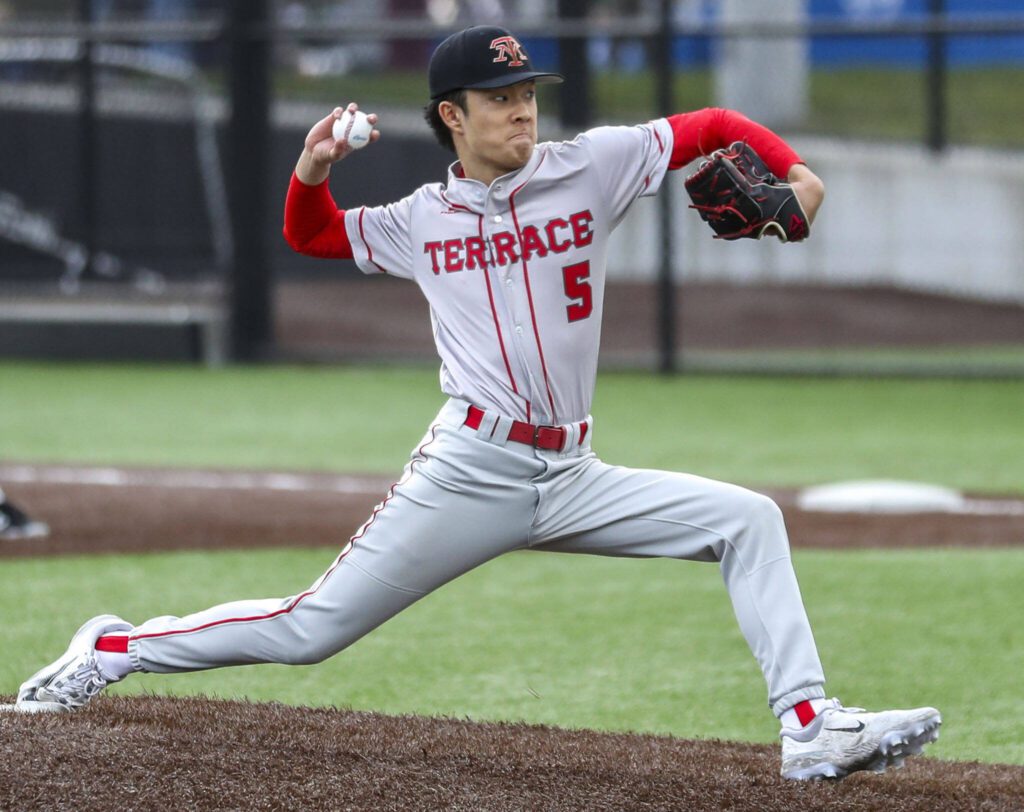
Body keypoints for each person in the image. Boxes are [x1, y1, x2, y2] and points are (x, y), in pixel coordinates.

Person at [14, 25, 940, 781]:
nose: (522, 111)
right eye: (501, 100)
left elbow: (712, 124)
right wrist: (312, 165)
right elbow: (312, 234)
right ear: (452, 116)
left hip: (575, 470)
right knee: (310, 630)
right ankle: (117, 646)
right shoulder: (420, 219)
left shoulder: (593, 166)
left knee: (748, 520)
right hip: (471, 469)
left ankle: (811, 725)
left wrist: (797, 173)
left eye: (528, 93)